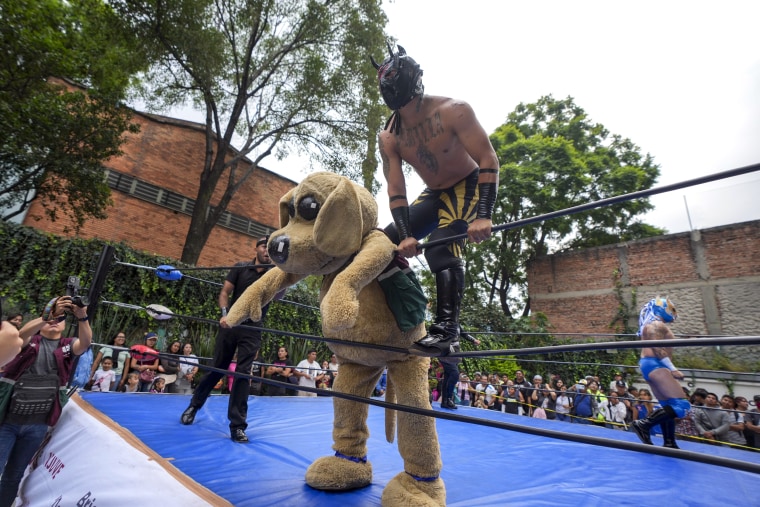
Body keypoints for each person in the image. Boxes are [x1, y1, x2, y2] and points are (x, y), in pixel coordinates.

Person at [372, 43, 499, 356]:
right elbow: (395, 188)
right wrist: (405, 236)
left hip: (466, 183)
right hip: (433, 192)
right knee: (382, 244)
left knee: (442, 246)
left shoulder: (453, 110)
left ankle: (447, 331)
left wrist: (483, 214)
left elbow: (488, 158)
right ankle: (412, 305)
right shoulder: (388, 136)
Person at [180, 236, 276, 443]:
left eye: (271, 248)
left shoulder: (274, 274)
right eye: (263, 246)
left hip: (253, 328)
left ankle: (238, 427)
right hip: (230, 324)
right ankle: (194, 406)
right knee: (217, 368)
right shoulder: (241, 267)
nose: (267, 250)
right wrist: (225, 314)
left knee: (243, 374)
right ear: (256, 248)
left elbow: (279, 295)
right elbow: (224, 292)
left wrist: (285, 268)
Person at [0, 295, 91, 506]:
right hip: (6, 421)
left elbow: (85, 343)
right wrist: (48, 314)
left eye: (60, 319)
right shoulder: (28, 341)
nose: (55, 321)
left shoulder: (66, 347)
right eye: (52, 318)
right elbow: (20, 336)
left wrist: (82, 317)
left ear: (65, 325)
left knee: (14, 474)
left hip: (37, 425)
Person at [631, 298, 691, 449]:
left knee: (667, 404)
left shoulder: (650, 324)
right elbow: (657, 347)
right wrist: (672, 368)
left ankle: (669, 442)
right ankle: (644, 424)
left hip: (650, 364)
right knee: (682, 405)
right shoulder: (656, 324)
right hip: (656, 364)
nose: (673, 311)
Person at [438, 330, 480, 410]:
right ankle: (449, 399)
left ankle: (445, 401)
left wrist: (473, 340)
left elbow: (463, 333)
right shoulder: (446, 322)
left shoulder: (456, 323)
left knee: (447, 376)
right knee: (454, 374)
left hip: (454, 355)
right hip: (446, 353)